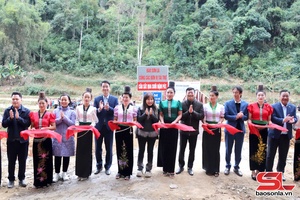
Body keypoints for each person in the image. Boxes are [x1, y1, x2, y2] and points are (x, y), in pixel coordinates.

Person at [266, 90, 297, 181]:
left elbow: (294, 117)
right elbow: (273, 118)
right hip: (274, 134)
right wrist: (283, 120)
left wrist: (293, 120)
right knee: (270, 154)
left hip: (285, 135)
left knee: (283, 155)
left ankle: (280, 172)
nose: (285, 98)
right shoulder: (273, 106)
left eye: (287, 96)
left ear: (289, 97)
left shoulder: (292, 107)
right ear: (280, 97)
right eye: (283, 96)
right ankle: (268, 172)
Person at [2, 91, 31, 188]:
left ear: (21, 100)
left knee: (22, 160)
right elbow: (4, 124)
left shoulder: (26, 111)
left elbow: (27, 124)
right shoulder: (7, 111)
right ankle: (11, 179)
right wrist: (10, 119)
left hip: (23, 141)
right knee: (11, 161)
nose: (15, 101)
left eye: (17, 99)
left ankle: (21, 178)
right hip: (11, 141)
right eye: (13, 99)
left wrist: (19, 118)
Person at [29, 91, 56, 188]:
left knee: (47, 160)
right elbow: (32, 126)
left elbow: (53, 127)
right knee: (37, 160)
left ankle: (48, 180)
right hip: (36, 140)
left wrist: (46, 128)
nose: (41, 105)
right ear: (38, 104)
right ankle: (38, 182)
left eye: (43, 103)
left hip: (46, 140)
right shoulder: (33, 114)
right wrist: (32, 129)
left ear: (46, 104)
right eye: (40, 103)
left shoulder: (49, 114)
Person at [176, 87, 204, 176]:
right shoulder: (182, 104)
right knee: (181, 149)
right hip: (183, 131)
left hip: (194, 132)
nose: (190, 95)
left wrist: (193, 112)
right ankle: (181, 166)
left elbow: (201, 116)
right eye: (188, 93)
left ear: (194, 94)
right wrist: (188, 112)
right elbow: (180, 117)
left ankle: (190, 167)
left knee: (192, 150)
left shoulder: (199, 104)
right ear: (186, 94)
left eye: (192, 93)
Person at [247, 85, 273, 181]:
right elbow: (249, 119)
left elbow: (269, 121)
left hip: (264, 131)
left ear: (265, 96)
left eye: (262, 95)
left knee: (262, 150)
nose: (260, 97)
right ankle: (253, 170)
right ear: (256, 96)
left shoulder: (269, 107)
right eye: (259, 95)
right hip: (254, 130)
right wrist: (251, 125)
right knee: (253, 149)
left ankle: (259, 170)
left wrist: (270, 125)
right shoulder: (251, 106)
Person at [157, 82, 182, 177]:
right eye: (168, 92)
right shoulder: (162, 103)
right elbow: (161, 114)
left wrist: (175, 122)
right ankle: (165, 169)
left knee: (173, 147)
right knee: (164, 147)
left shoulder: (178, 102)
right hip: (164, 127)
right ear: (165, 93)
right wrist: (162, 122)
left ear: (174, 93)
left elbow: (180, 114)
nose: (169, 94)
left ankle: (171, 169)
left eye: (171, 92)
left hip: (174, 126)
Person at [94, 80, 118, 176]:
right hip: (98, 127)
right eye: (103, 86)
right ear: (101, 88)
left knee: (109, 148)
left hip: (109, 127)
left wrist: (109, 109)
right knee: (97, 148)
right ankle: (98, 166)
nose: (105, 88)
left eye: (106, 86)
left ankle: (107, 167)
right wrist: (99, 109)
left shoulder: (114, 99)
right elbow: (93, 112)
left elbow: (116, 112)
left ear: (109, 88)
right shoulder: (97, 99)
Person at [224, 86, 248, 177]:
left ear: (240, 93)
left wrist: (242, 116)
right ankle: (227, 166)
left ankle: (236, 167)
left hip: (240, 130)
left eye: (236, 92)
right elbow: (226, 116)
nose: (235, 94)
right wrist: (235, 117)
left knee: (238, 150)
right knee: (228, 149)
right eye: (233, 92)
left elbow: (247, 117)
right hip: (230, 129)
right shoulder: (228, 103)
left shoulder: (245, 104)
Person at [114, 86, 137, 180]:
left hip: (128, 130)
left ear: (130, 98)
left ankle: (127, 172)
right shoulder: (117, 108)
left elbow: (135, 120)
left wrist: (132, 123)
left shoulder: (134, 108)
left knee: (128, 150)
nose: (125, 99)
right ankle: (120, 171)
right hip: (119, 130)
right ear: (121, 98)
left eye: (127, 97)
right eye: (124, 97)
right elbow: (115, 119)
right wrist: (115, 123)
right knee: (119, 150)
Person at [75, 88, 98, 181]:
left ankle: (86, 173)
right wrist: (77, 126)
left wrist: (91, 127)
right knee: (80, 151)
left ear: (91, 98)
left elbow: (95, 120)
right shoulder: (78, 108)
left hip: (88, 130)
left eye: (88, 97)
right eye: (85, 97)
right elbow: (76, 119)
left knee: (87, 151)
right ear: (82, 98)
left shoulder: (93, 109)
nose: (86, 99)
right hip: (80, 129)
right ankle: (79, 173)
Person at [52, 93, 76, 182]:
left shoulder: (72, 112)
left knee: (66, 155)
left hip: (67, 136)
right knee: (57, 155)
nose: (63, 101)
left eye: (65, 100)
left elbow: (73, 124)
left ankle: (64, 172)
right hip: (57, 135)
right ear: (59, 101)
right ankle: (57, 173)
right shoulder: (55, 111)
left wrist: (64, 118)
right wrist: (60, 119)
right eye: (62, 99)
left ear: (69, 101)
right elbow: (53, 122)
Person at [202, 86, 224, 177]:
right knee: (207, 148)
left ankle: (216, 169)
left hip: (216, 129)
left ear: (217, 97)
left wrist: (219, 122)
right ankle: (208, 168)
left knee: (215, 149)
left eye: (213, 96)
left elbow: (222, 117)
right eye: (210, 95)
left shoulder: (221, 106)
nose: (211, 97)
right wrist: (205, 124)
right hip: (207, 129)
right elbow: (203, 117)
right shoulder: (205, 106)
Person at [136, 92, 159, 178]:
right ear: (145, 100)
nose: (150, 101)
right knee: (141, 150)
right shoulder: (141, 108)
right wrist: (145, 114)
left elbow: (156, 121)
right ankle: (139, 168)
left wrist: (151, 115)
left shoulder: (156, 109)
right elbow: (138, 120)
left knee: (150, 151)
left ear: (153, 100)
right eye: (148, 99)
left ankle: (148, 169)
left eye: (151, 99)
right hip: (142, 133)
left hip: (152, 133)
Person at [293, 105, 300, 181]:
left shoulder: (297, 115)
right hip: (299, 137)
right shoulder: (297, 115)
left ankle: (297, 174)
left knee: (297, 156)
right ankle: (297, 174)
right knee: (297, 156)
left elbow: (294, 127)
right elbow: (294, 127)